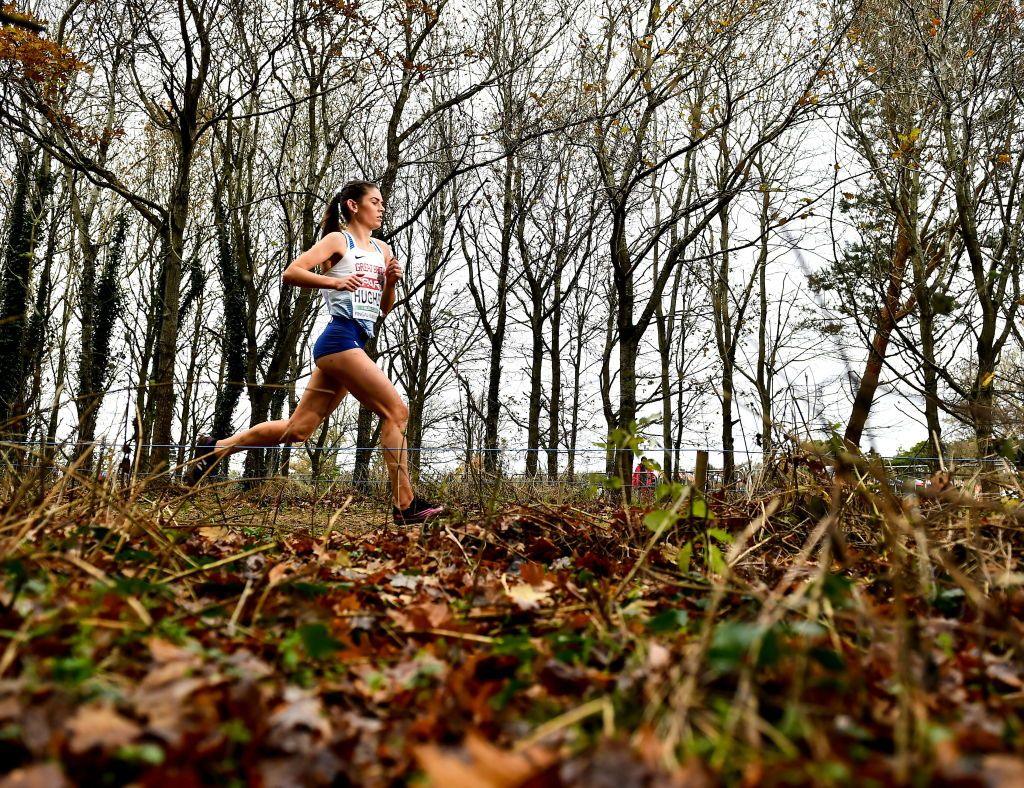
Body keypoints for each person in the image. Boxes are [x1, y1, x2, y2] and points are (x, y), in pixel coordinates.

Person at [188, 180, 444, 525]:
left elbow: (383, 310)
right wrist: (334, 281)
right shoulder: (340, 240)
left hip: (354, 340)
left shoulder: (383, 250)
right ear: (354, 206)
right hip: (339, 339)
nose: (382, 207)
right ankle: (406, 505)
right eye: (375, 201)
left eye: (383, 202)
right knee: (396, 411)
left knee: (298, 430)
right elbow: (291, 272)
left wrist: (392, 282)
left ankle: (216, 447)